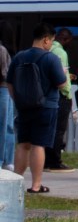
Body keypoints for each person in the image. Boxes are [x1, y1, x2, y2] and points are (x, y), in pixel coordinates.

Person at [6, 23, 67, 193]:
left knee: (23, 144)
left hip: (24, 107)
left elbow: (10, 83)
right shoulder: (51, 58)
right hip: (46, 107)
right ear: (46, 40)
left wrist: (18, 100)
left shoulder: (19, 57)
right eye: (52, 41)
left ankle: (16, 183)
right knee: (39, 145)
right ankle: (36, 185)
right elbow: (62, 83)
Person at [43, 28, 73, 172]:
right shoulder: (61, 52)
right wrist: (67, 92)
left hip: (50, 94)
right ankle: (54, 161)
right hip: (62, 96)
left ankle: (46, 159)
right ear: (65, 39)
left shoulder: (47, 50)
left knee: (50, 129)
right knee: (59, 130)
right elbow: (62, 76)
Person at [0, 40, 14, 170]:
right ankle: (7, 160)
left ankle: (6, 160)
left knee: (4, 125)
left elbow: (4, 73)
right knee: (6, 125)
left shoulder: (1, 50)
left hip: (3, 88)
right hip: (5, 89)